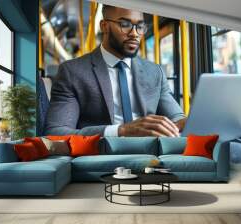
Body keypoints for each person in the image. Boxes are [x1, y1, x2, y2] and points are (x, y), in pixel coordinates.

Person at [44, 5, 187, 137]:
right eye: (125, 25)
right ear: (104, 26)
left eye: (140, 26)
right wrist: (122, 130)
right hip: (101, 155)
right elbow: (56, 132)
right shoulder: (72, 72)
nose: (134, 33)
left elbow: (176, 117)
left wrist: (184, 123)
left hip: (152, 155)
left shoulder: (155, 72)